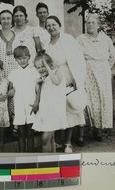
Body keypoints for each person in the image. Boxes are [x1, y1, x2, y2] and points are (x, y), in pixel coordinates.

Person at [44, 16, 87, 153]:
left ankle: (67, 142)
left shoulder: (68, 40)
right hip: (53, 78)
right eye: (48, 25)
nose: (51, 28)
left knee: (69, 108)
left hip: (68, 75)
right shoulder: (46, 42)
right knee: (56, 109)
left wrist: (75, 78)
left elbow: (78, 59)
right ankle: (57, 140)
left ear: (59, 25)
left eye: (54, 24)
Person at [77, 13, 115, 141]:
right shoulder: (80, 39)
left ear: (98, 25)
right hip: (87, 72)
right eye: (88, 22)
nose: (90, 25)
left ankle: (99, 129)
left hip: (103, 73)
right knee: (88, 100)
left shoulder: (106, 39)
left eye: (93, 23)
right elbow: (76, 56)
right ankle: (83, 131)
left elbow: (113, 56)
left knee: (102, 99)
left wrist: (105, 67)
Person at [31, 51, 68, 153]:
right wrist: (37, 85)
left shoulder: (57, 72)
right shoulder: (43, 78)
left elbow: (56, 82)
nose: (41, 69)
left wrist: (47, 66)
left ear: (50, 64)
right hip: (45, 111)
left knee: (45, 138)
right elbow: (39, 95)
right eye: (38, 67)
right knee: (50, 138)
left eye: (43, 66)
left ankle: (45, 162)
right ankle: (53, 159)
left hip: (55, 111)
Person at [8, 46, 39, 152]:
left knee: (30, 132)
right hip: (19, 104)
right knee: (21, 132)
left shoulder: (34, 71)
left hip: (31, 104)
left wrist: (37, 102)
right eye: (19, 58)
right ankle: (22, 154)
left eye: (24, 58)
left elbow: (38, 89)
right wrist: (11, 107)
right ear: (15, 59)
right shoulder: (13, 73)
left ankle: (30, 154)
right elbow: (11, 90)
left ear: (29, 57)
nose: (22, 60)